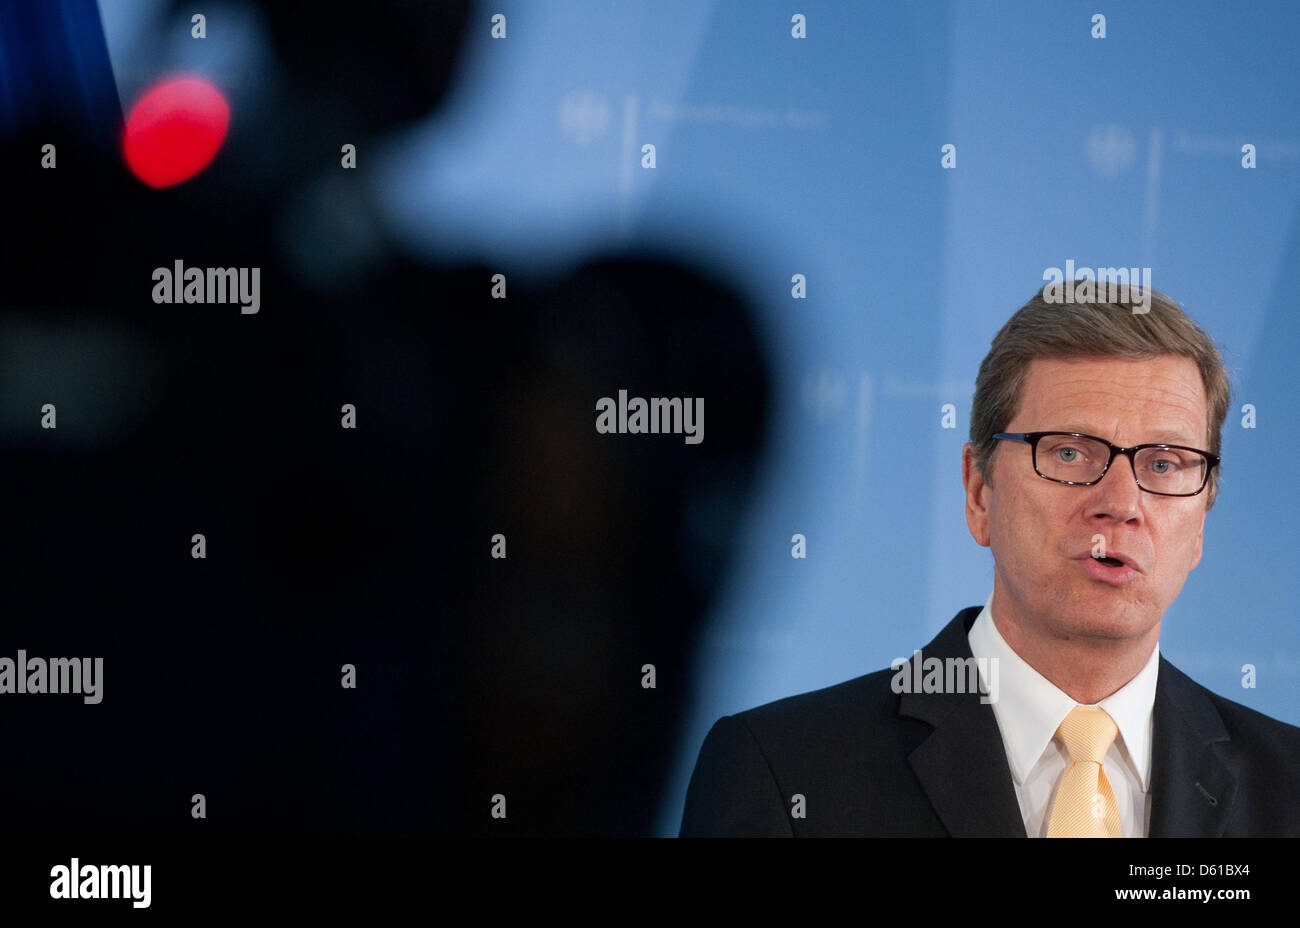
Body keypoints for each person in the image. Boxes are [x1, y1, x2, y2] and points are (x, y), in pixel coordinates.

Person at [679, 281, 1300, 837]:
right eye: (1069, 453)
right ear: (979, 492)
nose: (1121, 504)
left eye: (1164, 464)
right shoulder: (784, 770)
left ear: (1201, 524)